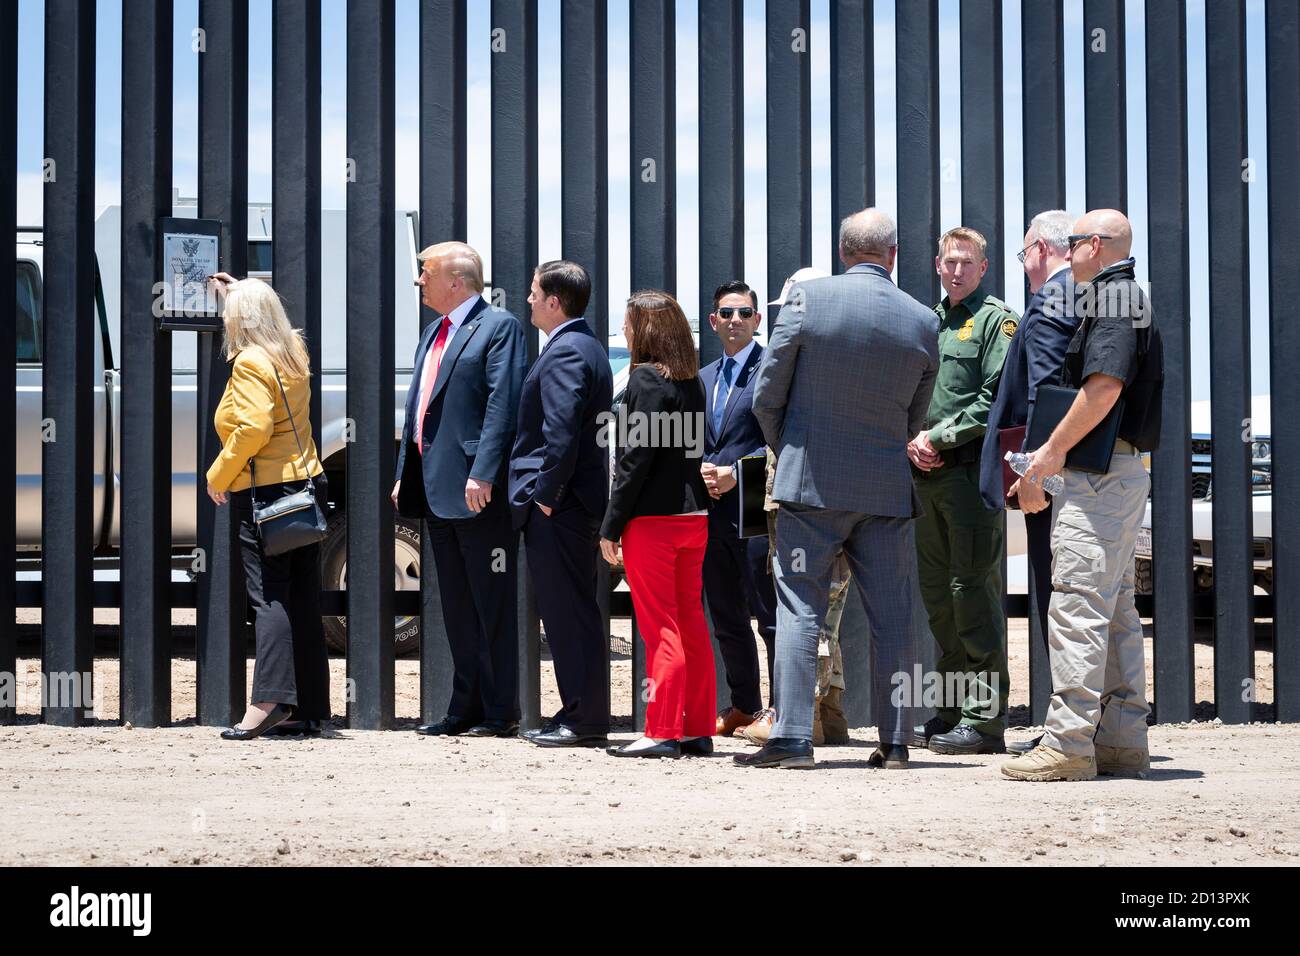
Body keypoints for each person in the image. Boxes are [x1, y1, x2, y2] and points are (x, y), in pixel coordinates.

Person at [741, 208, 938, 770]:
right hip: (884, 489)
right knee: (894, 617)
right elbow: (914, 415)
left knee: (799, 606)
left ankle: (794, 740)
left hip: (811, 489)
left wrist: (796, 447)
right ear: (892, 255)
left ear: (843, 251)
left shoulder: (808, 301)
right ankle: (897, 742)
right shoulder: (923, 320)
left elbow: (765, 396)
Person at [1001, 208, 1163, 782]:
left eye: (1072, 245)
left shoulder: (1115, 300)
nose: (1064, 256)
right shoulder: (1121, 297)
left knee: (1076, 605)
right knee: (1115, 607)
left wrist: (1045, 458)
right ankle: (1121, 742)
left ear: (1093, 245)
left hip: (1099, 479)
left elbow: (1101, 391)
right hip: (1117, 474)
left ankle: (1069, 743)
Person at [393, 242, 527, 738]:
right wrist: (406, 471)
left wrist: (485, 472)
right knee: (455, 604)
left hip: (477, 491)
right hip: (435, 489)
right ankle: (463, 708)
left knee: (490, 603)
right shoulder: (434, 330)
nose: (419, 282)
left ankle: (499, 713)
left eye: (425, 274)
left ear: (456, 279)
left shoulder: (499, 328)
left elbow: (502, 405)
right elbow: (421, 409)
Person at [204, 274, 329, 740]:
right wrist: (242, 288)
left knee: (269, 598)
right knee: (301, 597)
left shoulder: (250, 362)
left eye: (229, 312)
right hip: (303, 488)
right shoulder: (293, 353)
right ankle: (308, 707)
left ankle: (268, 702)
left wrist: (218, 474)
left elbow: (253, 427)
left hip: (265, 495)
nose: (223, 320)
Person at [907, 227, 1017, 755]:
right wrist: (913, 440)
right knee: (937, 599)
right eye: (949, 262)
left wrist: (939, 436)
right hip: (924, 478)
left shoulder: (997, 320)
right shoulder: (927, 322)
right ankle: (951, 710)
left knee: (970, 594)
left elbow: (996, 397)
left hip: (969, 477)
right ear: (936, 264)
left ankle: (984, 721)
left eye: (966, 262)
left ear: (983, 266)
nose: (956, 270)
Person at [978, 209, 1083, 756]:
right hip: (1091, 476)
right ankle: (1094, 726)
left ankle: (1068, 732)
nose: (1024, 266)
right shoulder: (1090, 297)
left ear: (1042, 248)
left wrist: (1035, 475)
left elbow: (1044, 393)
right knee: (1087, 602)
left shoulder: (1048, 304)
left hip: (1053, 478)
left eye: (1023, 254)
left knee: (1058, 603)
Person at [599, 291, 713, 759]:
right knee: (689, 623)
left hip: (653, 520)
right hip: (694, 517)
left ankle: (662, 730)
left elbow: (635, 460)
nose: (623, 331)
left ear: (644, 329)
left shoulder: (646, 380)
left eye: (627, 323)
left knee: (660, 626)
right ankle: (695, 728)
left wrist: (611, 524)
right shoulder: (692, 381)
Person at [508, 261, 613, 747]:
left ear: (554, 301)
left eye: (533, 294)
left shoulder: (567, 350)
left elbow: (562, 431)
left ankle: (585, 719)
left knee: (568, 613)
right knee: (572, 611)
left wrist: (545, 497)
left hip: (562, 507)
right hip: (571, 505)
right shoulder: (581, 345)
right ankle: (578, 709)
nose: (527, 300)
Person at [697, 279, 778, 740]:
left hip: (756, 507)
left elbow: (780, 440)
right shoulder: (703, 377)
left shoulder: (772, 369)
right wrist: (702, 474)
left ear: (757, 320)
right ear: (713, 321)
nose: (735, 321)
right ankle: (743, 705)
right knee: (725, 614)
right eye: (726, 313)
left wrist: (736, 472)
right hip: (712, 512)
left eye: (744, 313)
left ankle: (778, 708)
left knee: (768, 615)